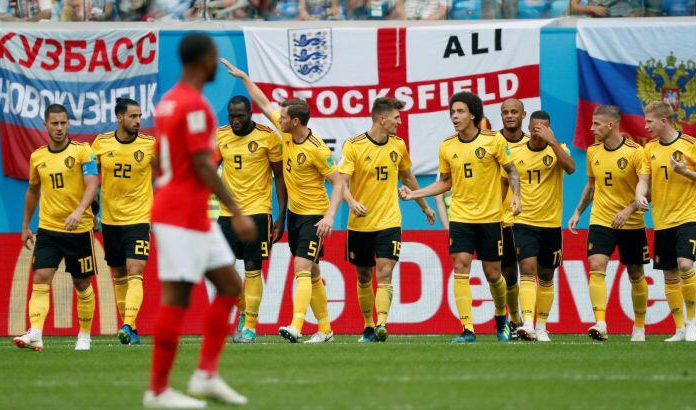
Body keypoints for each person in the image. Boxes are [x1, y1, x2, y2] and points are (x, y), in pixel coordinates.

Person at [144, 33, 256, 408]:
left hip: (188, 213)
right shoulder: (194, 106)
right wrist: (237, 211)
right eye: (214, 58)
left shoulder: (167, 104)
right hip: (181, 215)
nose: (215, 65)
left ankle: (206, 374)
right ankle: (158, 390)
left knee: (229, 284)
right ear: (204, 59)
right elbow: (203, 164)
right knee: (177, 296)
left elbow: (162, 164)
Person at [221, 58, 345, 344]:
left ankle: (296, 325)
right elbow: (264, 102)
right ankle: (325, 329)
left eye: (284, 117)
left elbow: (338, 182)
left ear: (296, 121)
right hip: (294, 215)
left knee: (301, 267)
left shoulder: (316, 150)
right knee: (312, 272)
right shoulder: (287, 134)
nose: (279, 118)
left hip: (314, 217)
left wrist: (328, 217)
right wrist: (243, 76)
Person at [400, 91, 522, 343]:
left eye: (460, 112)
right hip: (461, 217)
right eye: (452, 112)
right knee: (460, 265)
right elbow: (445, 183)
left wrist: (516, 197)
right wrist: (415, 193)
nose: (454, 116)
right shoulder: (447, 146)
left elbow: (512, 171)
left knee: (492, 274)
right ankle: (468, 329)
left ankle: (502, 319)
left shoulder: (493, 141)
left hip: (490, 218)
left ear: (473, 115)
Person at [340, 97, 436, 343]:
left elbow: (408, 177)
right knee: (363, 276)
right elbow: (341, 183)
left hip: (389, 221)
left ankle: (381, 323)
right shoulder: (353, 146)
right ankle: (368, 326)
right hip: (359, 223)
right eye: (396, 118)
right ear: (381, 119)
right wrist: (352, 203)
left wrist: (424, 205)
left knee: (384, 272)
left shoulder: (398, 145)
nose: (399, 122)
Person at [14, 104, 100, 352]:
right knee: (41, 278)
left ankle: (84, 336)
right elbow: (32, 190)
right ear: (46, 125)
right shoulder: (37, 157)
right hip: (49, 229)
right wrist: (24, 226)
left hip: (79, 230)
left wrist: (78, 211)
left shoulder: (83, 151)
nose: (60, 128)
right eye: (55, 123)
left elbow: (92, 184)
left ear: (68, 124)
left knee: (82, 284)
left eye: (63, 123)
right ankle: (36, 334)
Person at [567, 105, 651, 342]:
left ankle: (639, 327)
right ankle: (601, 323)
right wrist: (577, 212)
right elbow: (591, 185)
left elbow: (648, 191)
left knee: (636, 273)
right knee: (596, 264)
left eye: (596, 125)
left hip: (631, 222)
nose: (592, 129)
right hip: (601, 219)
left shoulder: (636, 152)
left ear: (611, 125)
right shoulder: (593, 151)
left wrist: (629, 209)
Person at [635, 101, 696, 342]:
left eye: (649, 121)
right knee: (669, 274)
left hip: (688, 215)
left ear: (663, 121)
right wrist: (640, 193)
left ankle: (692, 323)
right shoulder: (649, 149)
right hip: (662, 219)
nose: (645, 125)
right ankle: (679, 328)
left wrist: (686, 172)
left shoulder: (691, 145)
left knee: (684, 265)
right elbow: (644, 179)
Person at [215, 95, 287, 344]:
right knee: (221, 269)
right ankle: (245, 311)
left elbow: (279, 177)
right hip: (227, 213)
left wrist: (281, 216)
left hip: (257, 211)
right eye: (231, 116)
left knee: (252, 268)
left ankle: (250, 327)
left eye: (240, 116)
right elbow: (210, 168)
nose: (235, 121)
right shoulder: (220, 135)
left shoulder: (268, 137)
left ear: (250, 113)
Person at [91, 98, 155, 345]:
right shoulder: (102, 143)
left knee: (135, 270)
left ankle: (127, 324)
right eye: (133, 116)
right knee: (118, 273)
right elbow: (90, 177)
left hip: (139, 218)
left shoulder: (150, 145)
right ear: (119, 117)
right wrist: (91, 205)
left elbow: (162, 175)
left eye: (140, 116)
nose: (138, 121)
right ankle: (133, 329)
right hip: (110, 220)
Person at [511, 111, 576, 343]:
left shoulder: (558, 150)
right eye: (535, 128)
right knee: (527, 269)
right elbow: (504, 180)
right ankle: (527, 324)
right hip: (524, 221)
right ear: (529, 128)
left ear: (549, 129)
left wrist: (553, 141)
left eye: (544, 128)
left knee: (547, 274)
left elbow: (571, 168)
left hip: (550, 224)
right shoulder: (516, 152)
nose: (538, 132)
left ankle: (542, 326)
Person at [496, 98, 529, 339]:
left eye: (514, 111)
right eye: (505, 112)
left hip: (526, 219)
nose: (509, 115)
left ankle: (525, 320)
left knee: (529, 271)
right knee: (506, 273)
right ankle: (513, 318)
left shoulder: (532, 144)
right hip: (498, 219)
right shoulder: (492, 142)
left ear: (523, 115)